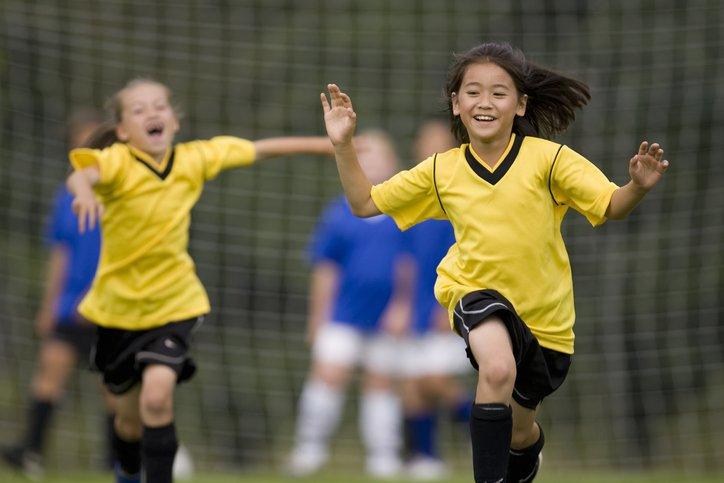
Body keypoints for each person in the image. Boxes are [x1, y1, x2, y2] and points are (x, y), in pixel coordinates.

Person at [320, 42, 669, 483]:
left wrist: (636, 187)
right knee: (498, 367)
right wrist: (344, 144)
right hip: (474, 292)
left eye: (499, 93)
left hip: (546, 320)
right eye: (473, 92)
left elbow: (611, 205)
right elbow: (365, 202)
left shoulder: (550, 160)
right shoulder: (439, 170)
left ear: (520, 104)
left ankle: (524, 454)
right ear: (456, 103)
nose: (485, 102)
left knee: (519, 432)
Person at [66, 78, 334, 483]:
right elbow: (83, 173)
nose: (152, 113)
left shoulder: (195, 158)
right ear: (122, 131)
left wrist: (330, 144)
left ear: (174, 121)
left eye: (159, 106)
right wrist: (84, 191)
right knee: (128, 421)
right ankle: (126, 471)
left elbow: (260, 149)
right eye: (138, 110)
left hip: (175, 302)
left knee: (158, 398)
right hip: (117, 309)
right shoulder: (118, 162)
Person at [287, 130, 409, 479]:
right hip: (342, 316)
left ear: (393, 164)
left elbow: (409, 267)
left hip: (387, 320)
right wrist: (318, 318)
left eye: (378, 156)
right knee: (328, 376)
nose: (370, 163)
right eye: (362, 156)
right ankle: (309, 449)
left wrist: (402, 307)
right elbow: (326, 269)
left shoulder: (405, 211)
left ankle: (383, 456)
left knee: (381, 383)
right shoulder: (339, 213)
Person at [2, 109, 115, 478]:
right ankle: (30, 452)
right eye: (77, 144)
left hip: (109, 304)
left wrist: (100, 294)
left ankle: (115, 461)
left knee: (113, 387)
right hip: (70, 305)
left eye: (92, 143)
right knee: (49, 371)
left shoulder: (119, 192)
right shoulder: (64, 196)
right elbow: (60, 253)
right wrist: (50, 305)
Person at [399, 119, 472, 480]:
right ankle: (426, 460)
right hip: (417, 309)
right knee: (413, 387)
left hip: (450, 305)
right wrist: (400, 305)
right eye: (424, 143)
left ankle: (504, 435)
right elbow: (407, 262)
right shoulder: (412, 196)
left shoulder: (462, 196)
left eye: (437, 143)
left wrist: (447, 306)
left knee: (432, 380)